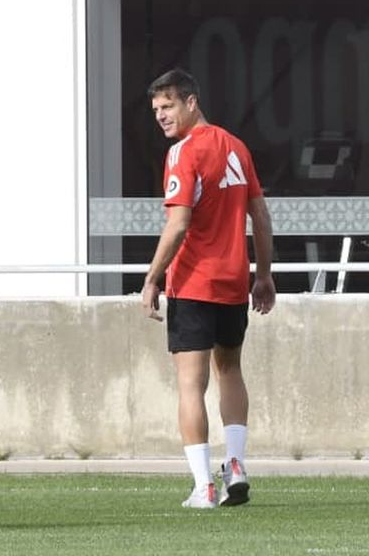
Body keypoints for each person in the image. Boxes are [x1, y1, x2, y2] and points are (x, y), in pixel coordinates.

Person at [141, 68, 275, 509]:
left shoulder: (184, 153)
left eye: (169, 106)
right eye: (157, 109)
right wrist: (264, 274)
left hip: (195, 282)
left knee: (190, 385)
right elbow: (260, 215)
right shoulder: (236, 146)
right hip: (234, 281)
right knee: (230, 371)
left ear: (191, 102)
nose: (161, 116)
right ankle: (235, 463)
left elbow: (178, 224)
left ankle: (203, 487)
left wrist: (152, 277)